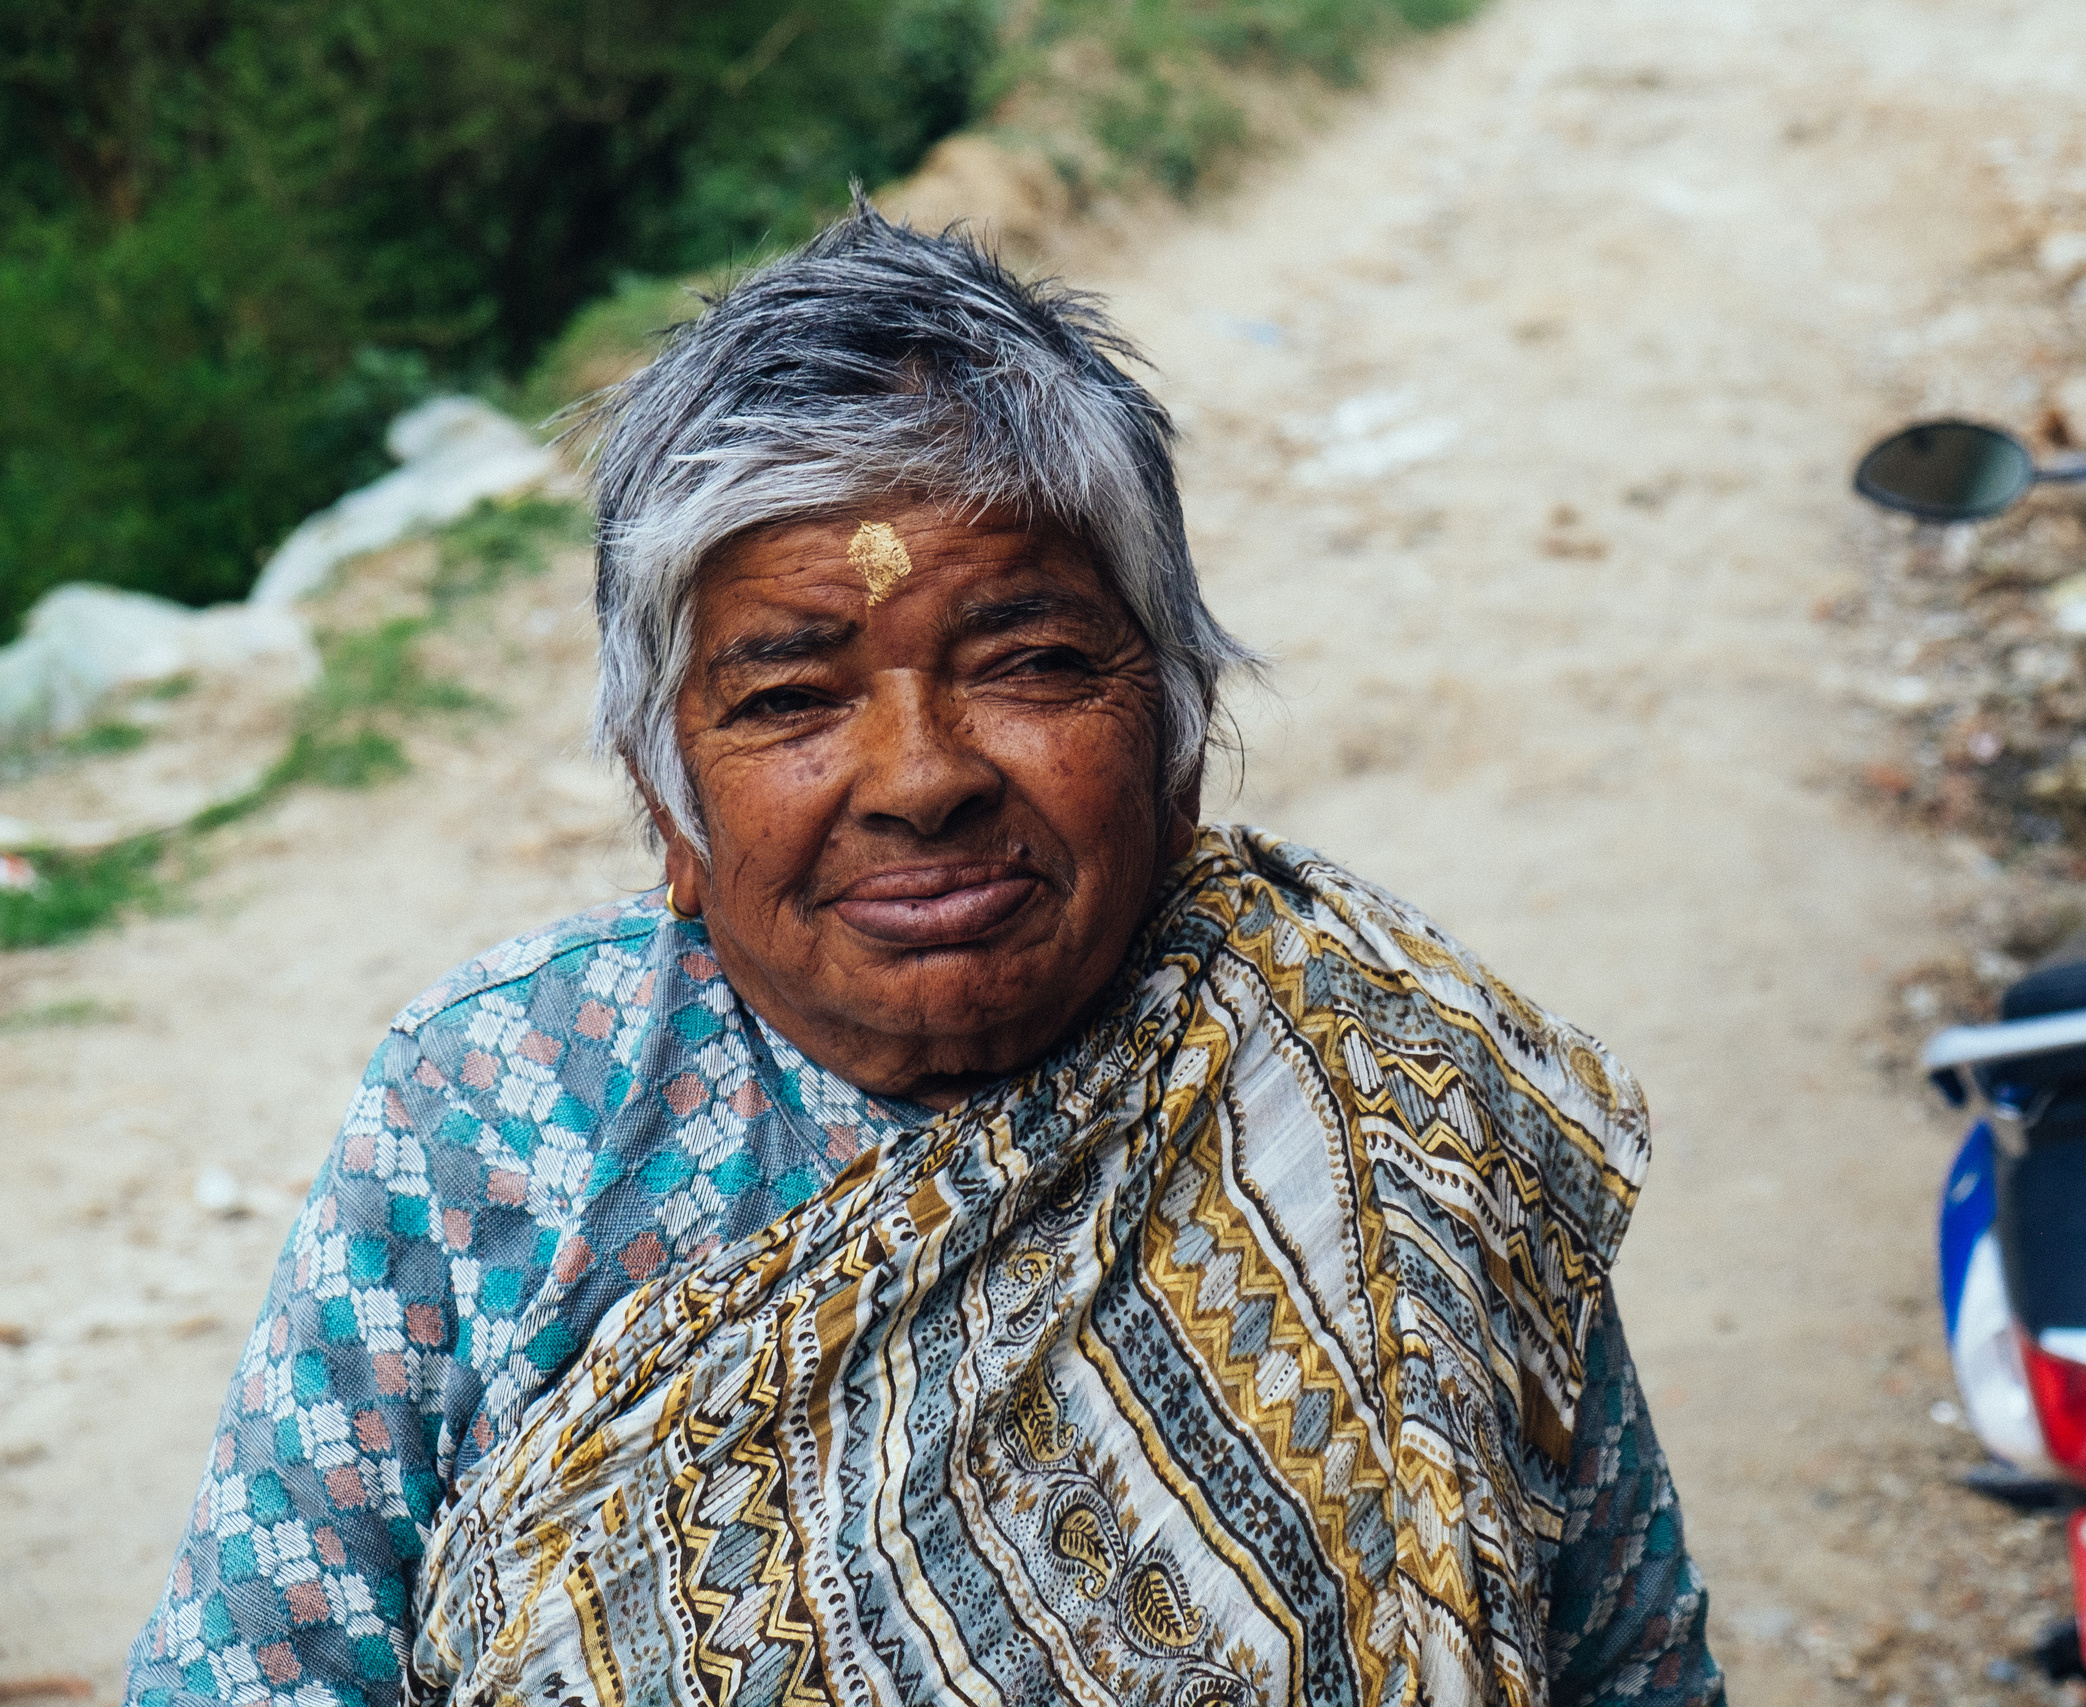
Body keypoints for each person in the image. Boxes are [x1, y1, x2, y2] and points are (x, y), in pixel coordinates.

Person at [126, 205, 1719, 1707]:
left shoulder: (1381, 1098)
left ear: (1181, 740)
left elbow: (1629, 1668)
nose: (920, 778)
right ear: (668, 807)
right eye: (789, 699)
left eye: (1029, 663)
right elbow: (255, 1669)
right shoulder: (498, 1106)